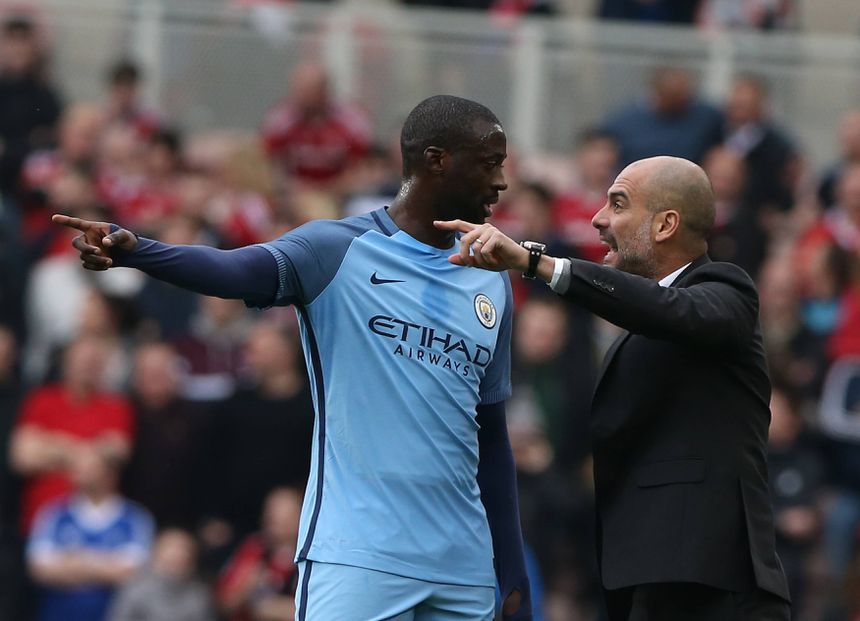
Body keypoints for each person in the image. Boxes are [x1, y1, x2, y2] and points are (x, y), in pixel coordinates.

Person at [53, 95, 530, 620]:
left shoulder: (492, 279)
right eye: (489, 164)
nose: (501, 182)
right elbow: (234, 271)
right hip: (357, 558)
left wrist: (510, 569)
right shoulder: (337, 249)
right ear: (437, 160)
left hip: (462, 567)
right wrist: (137, 250)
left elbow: (491, 434)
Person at [436, 155, 790, 619]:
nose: (598, 220)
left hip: (713, 585)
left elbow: (665, 310)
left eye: (618, 204)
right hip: (649, 581)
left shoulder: (727, 291)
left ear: (666, 225)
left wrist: (534, 261)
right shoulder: (638, 323)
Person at [27, 446, 154, 621]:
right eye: (77, 466)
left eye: (89, 467)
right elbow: (40, 570)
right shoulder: (54, 514)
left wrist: (74, 559)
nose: (78, 472)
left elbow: (134, 574)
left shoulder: (134, 519)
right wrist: (105, 563)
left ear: (110, 475)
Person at [108, 528, 216, 621]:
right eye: (170, 548)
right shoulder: (135, 588)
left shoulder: (199, 594)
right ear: (156, 553)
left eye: (183, 549)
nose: (177, 554)